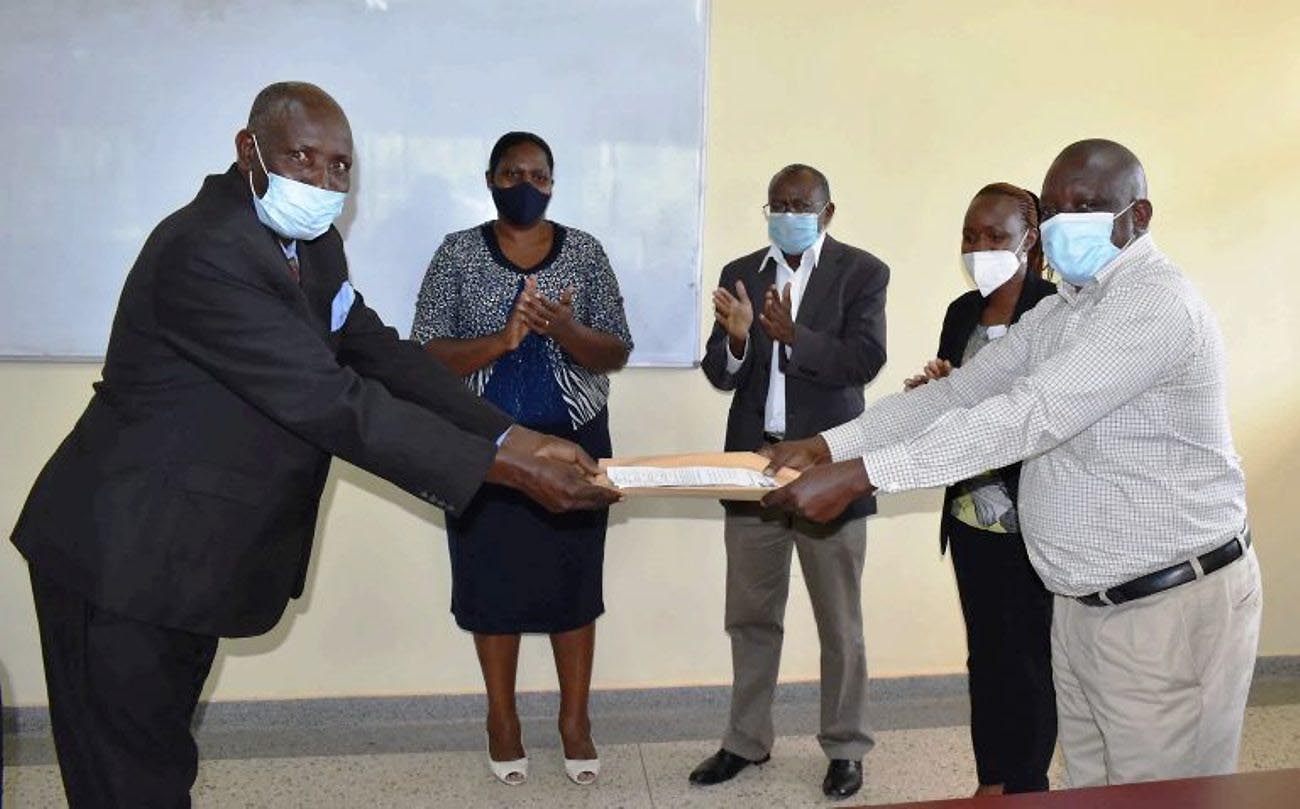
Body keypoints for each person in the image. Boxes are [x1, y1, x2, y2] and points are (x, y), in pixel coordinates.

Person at [9, 83, 618, 808]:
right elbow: (331, 400)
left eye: (340, 167)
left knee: (159, 755)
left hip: (187, 552)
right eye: (304, 158)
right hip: (124, 552)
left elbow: (378, 353)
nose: (324, 182)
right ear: (249, 150)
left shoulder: (311, 246)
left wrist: (511, 432)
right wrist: (508, 467)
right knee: (128, 780)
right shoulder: (206, 251)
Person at [761, 140, 1261, 788]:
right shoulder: (1067, 309)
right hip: (1085, 605)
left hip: (1164, 611)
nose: (1061, 222)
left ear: (1138, 217)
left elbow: (1031, 412)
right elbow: (959, 392)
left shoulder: (1153, 303)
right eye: (1052, 208)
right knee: (1091, 786)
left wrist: (862, 475)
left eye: (1084, 206)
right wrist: (829, 445)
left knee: (1158, 796)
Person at [411, 131, 632, 787]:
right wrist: (502, 340)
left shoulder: (585, 253)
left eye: (538, 174)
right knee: (492, 583)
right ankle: (501, 720)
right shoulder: (456, 254)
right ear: (490, 179)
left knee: (574, 583)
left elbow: (616, 349)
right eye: (512, 173)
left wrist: (564, 330)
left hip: (576, 441)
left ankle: (575, 720)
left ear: (554, 183)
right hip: (486, 447)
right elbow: (426, 353)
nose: (525, 185)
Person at [694, 164, 889, 799]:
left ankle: (846, 746)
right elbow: (720, 375)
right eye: (777, 203)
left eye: (800, 203)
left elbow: (866, 360)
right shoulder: (741, 272)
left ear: (828, 212)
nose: (787, 212)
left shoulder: (862, 272)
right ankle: (745, 741)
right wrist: (743, 340)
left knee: (839, 620)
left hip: (828, 466)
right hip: (753, 468)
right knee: (751, 615)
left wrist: (794, 337)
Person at [904, 183, 1057, 796]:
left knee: (1028, 663)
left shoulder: (1052, 310)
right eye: (970, 235)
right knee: (985, 658)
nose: (979, 247)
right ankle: (991, 779)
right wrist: (934, 391)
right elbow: (955, 404)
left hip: (1033, 520)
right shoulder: (962, 312)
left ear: (1030, 237)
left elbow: (1040, 413)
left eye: (995, 236)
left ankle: (1024, 783)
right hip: (971, 517)